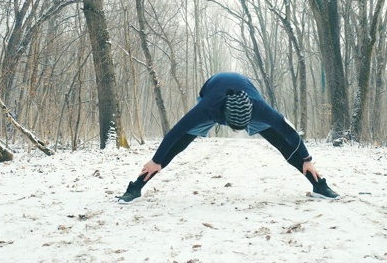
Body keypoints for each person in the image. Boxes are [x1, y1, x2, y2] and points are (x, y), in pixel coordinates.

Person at [117, 72, 339, 204]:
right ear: (222, 117)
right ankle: (135, 188)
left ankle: (319, 186)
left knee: (282, 144)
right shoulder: (206, 108)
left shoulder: (260, 108)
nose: (236, 132)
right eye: (234, 127)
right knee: (178, 145)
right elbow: (174, 133)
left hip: (246, 90)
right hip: (213, 87)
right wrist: (156, 160)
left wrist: (307, 157)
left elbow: (289, 132)